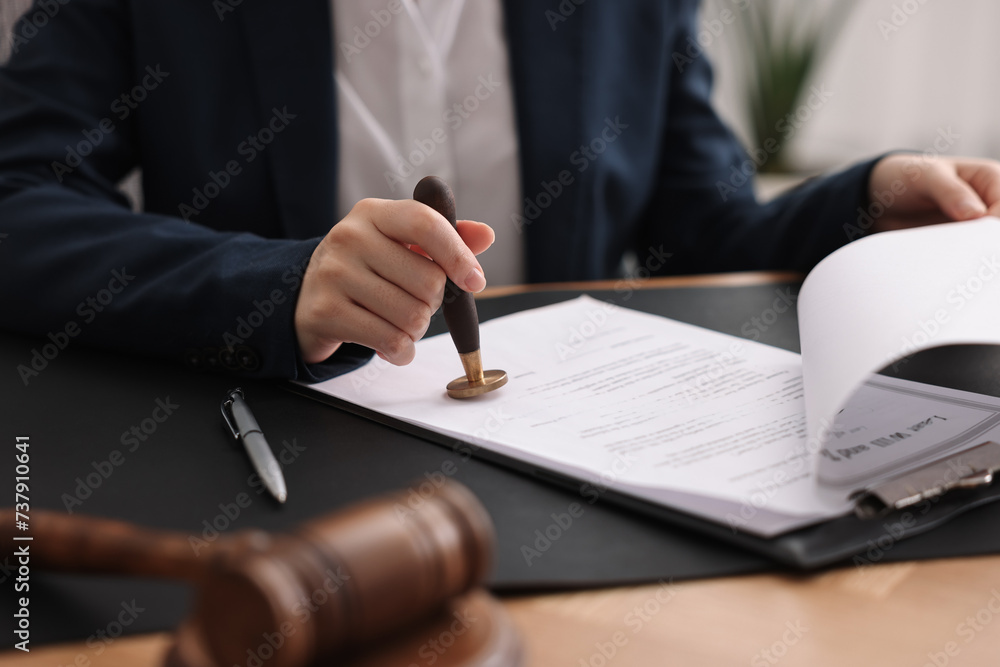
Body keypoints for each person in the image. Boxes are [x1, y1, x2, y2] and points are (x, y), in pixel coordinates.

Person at [1, 0, 998, 384]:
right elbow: (17, 204)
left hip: (575, 489)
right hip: (267, 474)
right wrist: (276, 283)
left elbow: (702, 230)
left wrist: (864, 205)